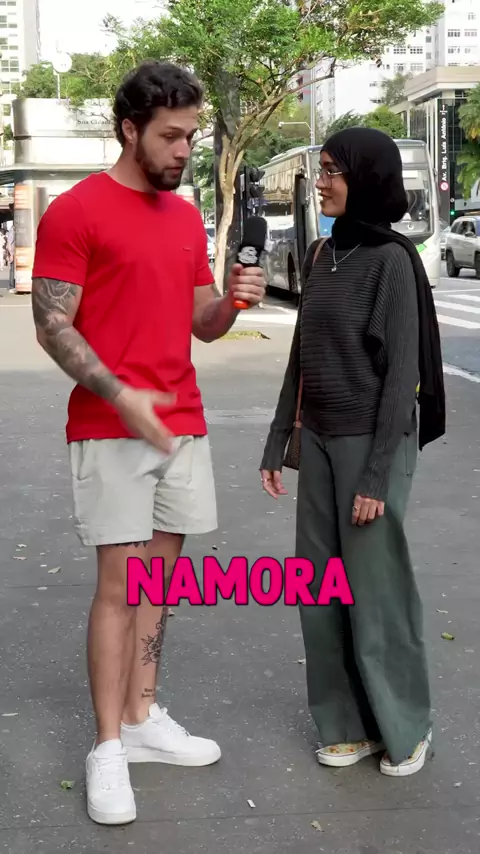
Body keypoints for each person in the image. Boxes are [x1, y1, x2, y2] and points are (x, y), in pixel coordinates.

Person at [31, 60, 266, 826]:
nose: (184, 150)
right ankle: (107, 747)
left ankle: (141, 718)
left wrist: (233, 303)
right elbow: (52, 323)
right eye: (171, 135)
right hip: (111, 425)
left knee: (158, 586)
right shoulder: (76, 211)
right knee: (119, 588)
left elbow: (202, 320)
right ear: (129, 129)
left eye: (191, 135)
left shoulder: (185, 217)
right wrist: (119, 393)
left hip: (181, 422)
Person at [260, 127, 445, 778]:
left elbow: (401, 379)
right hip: (318, 439)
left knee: (375, 592)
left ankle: (405, 726)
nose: (322, 182)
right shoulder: (321, 253)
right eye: (321, 170)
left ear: (365, 179)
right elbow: (302, 352)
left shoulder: (392, 261)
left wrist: (375, 477)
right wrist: (278, 437)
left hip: (373, 441)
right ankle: (346, 725)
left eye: (333, 171)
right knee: (319, 590)